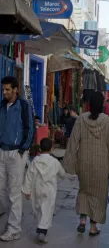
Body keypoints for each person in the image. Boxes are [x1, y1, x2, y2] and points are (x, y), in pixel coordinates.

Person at [63, 92, 109, 236]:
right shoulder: (107, 121)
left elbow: (73, 142)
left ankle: (82, 221)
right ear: (102, 104)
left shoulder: (81, 119)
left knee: (84, 191)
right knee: (99, 195)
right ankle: (93, 227)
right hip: (101, 165)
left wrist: (70, 163)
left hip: (83, 163)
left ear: (89, 104)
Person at [0, 76, 35, 241]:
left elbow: (30, 128)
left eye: (7, 89)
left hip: (16, 153)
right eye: (3, 89)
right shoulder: (1, 105)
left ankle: (14, 229)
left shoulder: (23, 105)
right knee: (1, 191)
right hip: (2, 151)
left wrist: (23, 149)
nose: (4, 92)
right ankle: (13, 217)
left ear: (15, 89)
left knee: (14, 192)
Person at [22, 138, 65, 244]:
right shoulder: (54, 162)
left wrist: (26, 190)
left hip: (37, 189)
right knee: (47, 210)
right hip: (49, 191)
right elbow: (62, 174)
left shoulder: (35, 161)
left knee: (38, 209)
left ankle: (40, 227)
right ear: (52, 148)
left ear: (40, 148)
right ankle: (42, 231)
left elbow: (29, 176)